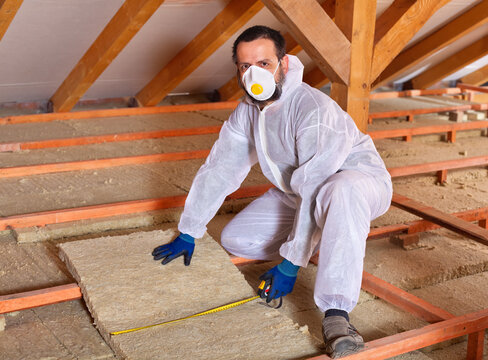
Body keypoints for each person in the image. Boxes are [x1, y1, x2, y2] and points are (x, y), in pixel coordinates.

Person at [152, 25, 392, 358]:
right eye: (244, 66)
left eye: (263, 64)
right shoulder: (248, 111)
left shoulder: (312, 109)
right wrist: (189, 229)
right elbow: (221, 168)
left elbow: (318, 182)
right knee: (236, 238)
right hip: (295, 194)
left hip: (355, 184)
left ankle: (337, 315)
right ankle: (320, 233)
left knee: (338, 191)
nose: (254, 74)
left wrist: (291, 263)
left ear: (284, 65)